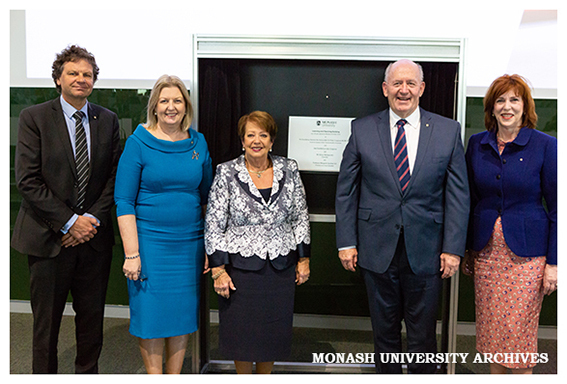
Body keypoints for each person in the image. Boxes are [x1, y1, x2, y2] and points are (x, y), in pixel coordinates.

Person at [335, 59, 469, 374]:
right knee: (384, 334)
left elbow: (458, 194)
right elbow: (346, 191)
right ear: (385, 89)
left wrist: (452, 248)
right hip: (375, 249)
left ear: (422, 88)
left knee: (423, 336)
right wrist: (345, 242)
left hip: (427, 250)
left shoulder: (448, 131)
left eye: (410, 83)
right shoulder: (362, 128)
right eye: (397, 83)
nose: (403, 90)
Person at [11, 45, 121, 373]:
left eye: (87, 74)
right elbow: (27, 181)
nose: (81, 79)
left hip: (93, 242)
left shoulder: (108, 120)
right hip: (48, 242)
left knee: (91, 327)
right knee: (46, 328)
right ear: (58, 78)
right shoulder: (35, 118)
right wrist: (70, 222)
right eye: (73, 73)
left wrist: (88, 222)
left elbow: (114, 179)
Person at [114, 75, 213, 374]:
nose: (171, 107)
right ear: (155, 107)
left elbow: (209, 198)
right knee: (152, 318)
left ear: (186, 107)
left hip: (189, 246)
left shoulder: (198, 142)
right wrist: (132, 254)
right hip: (150, 247)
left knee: (182, 316)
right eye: (165, 101)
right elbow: (124, 202)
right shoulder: (138, 143)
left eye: (178, 101)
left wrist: (210, 247)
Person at [463, 74, 557, 374]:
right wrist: (466, 248)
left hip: (527, 259)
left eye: (514, 100)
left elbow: (558, 209)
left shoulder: (545, 145)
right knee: (492, 336)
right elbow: (470, 200)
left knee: (518, 337)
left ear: (524, 106)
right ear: (491, 108)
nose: (507, 106)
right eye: (500, 100)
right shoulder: (477, 144)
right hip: (487, 255)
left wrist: (554, 263)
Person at [205, 111, 311, 374]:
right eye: (250, 135)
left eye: (263, 135)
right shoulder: (226, 172)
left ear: (271, 140)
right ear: (242, 140)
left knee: (272, 335)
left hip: (280, 268)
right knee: (241, 335)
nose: (257, 140)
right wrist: (218, 271)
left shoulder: (290, 169)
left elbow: (300, 217)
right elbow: (214, 223)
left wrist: (304, 258)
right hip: (240, 270)